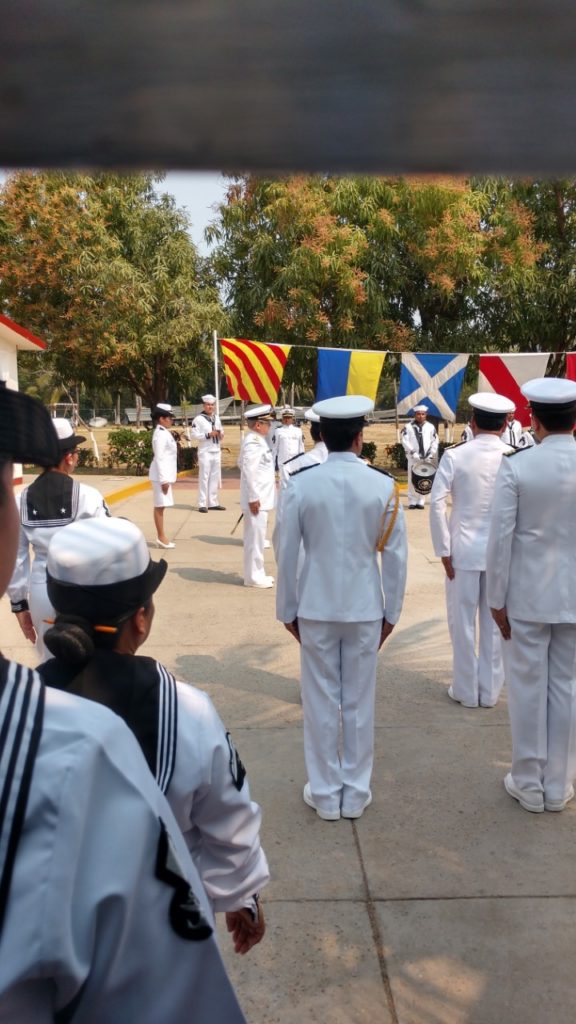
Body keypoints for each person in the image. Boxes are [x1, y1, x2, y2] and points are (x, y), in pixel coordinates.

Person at [0, 384, 246, 1022]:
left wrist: (26, 602)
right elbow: (227, 812)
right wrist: (240, 893)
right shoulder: (162, 718)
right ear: (143, 618)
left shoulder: (36, 698)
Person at [39, 515, 269, 953]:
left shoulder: (18, 704)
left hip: (45, 933)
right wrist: (243, 896)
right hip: (159, 933)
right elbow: (229, 821)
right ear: (141, 620)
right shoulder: (188, 711)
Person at [276, 395, 407, 821]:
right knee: (358, 702)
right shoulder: (383, 485)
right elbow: (396, 556)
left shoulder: (300, 483)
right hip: (366, 607)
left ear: (321, 436)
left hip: (315, 606)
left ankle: (327, 792)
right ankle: (355, 790)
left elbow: (286, 551)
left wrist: (287, 610)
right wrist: (392, 613)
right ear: (359, 437)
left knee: (319, 701)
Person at [486, 376, 576, 814]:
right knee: (567, 688)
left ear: (534, 419)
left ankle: (528, 781)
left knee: (526, 687)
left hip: (527, 597)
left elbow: (500, 539)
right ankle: (558, 785)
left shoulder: (517, 465)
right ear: (574, 422)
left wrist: (496, 600)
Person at [429, 393, 515, 709]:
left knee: (461, 621)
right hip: (501, 553)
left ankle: (465, 690)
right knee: (496, 623)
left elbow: (436, 503)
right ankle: (490, 691)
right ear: (506, 424)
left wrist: (443, 548)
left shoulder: (455, 455)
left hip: (462, 550)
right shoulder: (515, 455)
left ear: (473, 423)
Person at [7, 417, 109, 660]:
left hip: (42, 590)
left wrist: (20, 605)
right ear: (69, 457)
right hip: (83, 589)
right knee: (87, 660)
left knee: (48, 660)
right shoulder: (88, 496)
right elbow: (108, 547)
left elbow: (16, 558)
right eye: (75, 452)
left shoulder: (20, 500)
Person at [239, 404, 276, 589]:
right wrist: (253, 497)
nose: (270, 426)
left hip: (260, 499)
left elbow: (242, 464)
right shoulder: (253, 442)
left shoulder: (256, 440)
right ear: (258, 425)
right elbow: (249, 470)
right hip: (257, 500)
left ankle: (257, 573)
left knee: (258, 538)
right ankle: (253, 577)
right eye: (267, 423)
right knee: (255, 539)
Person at [189, 393, 225, 513]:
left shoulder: (217, 418)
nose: (210, 407)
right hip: (205, 451)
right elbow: (193, 435)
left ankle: (213, 502)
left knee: (214, 477)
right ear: (204, 406)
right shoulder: (198, 419)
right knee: (204, 477)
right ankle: (202, 503)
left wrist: (220, 434)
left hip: (216, 449)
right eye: (208, 405)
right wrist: (208, 435)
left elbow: (222, 432)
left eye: (212, 405)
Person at [149, 402, 178, 549]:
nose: (171, 420)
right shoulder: (160, 435)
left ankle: (162, 536)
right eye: (169, 417)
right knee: (160, 506)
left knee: (162, 506)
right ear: (161, 419)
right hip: (160, 477)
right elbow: (159, 458)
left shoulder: (163, 432)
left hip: (163, 476)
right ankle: (161, 537)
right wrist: (164, 480)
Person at [401, 403, 439, 509]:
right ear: (415, 415)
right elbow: (405, 441)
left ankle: (421, 500)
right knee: (412, 478)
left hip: (426, 457)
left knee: (425, 478)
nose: (420, 416)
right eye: (418, 414)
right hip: (413, 457)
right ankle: (412, 500)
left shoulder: (431, 427)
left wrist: (431, 453)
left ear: (426, 415)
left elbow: (435, 441)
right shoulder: (408, 427)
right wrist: (413, 452)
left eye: (423, 414)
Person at [273, 406, 304, 478]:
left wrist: (301, 463)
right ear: (282, 419)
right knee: (283, 484)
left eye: (289, 418)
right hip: (283, 462)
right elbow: (275, 449)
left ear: (292, 419)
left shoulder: (298, 431)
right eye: (285, 417)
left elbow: (301, 448)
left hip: (295, 462)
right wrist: (274, 465)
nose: (287, 420)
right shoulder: (278, 431)